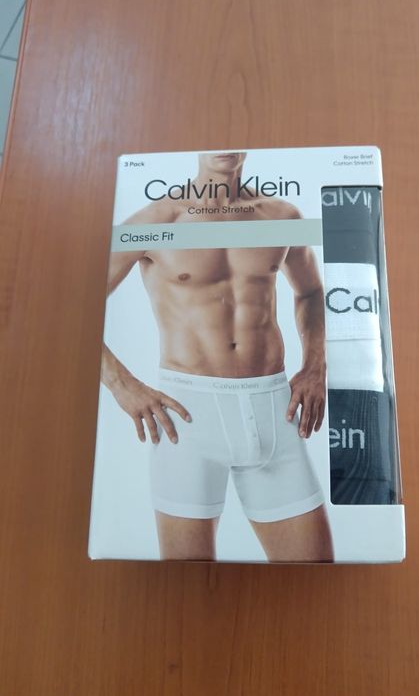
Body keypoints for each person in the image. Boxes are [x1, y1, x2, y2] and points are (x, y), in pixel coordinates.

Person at [101, 152, 333, 561]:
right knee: (187, 585)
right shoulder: (154, 222)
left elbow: (312, 292)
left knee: (316, 576)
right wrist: (122, 385)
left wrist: (315, 366)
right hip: (186, 419)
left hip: (275, 410)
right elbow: (73, 302)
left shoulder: (281, 215)